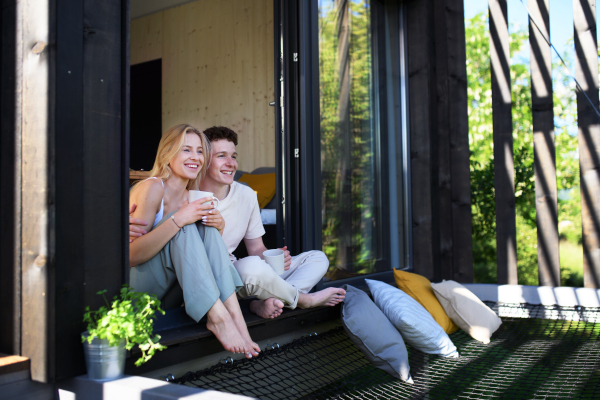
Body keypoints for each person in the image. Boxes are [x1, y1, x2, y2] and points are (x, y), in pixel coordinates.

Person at [128, 124, 259, 358]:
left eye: (200, 151)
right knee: (183, 224)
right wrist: (178, 219)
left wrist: (217, 229)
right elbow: (130, 256)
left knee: (204, 224)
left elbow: (198, 258)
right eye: (186, 150)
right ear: (168, 154)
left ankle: (237, 322)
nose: (195, 157)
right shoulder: (152, 188)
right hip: (137, 294)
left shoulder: (193, 195)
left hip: (169, 296)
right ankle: (218, 317)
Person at [197, 126, 345, 319]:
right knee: (252, 267)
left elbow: (256, 247)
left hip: (240, 272)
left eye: (233, 156)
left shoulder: (246, 195)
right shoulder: (191, 197)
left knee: (317, 258)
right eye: (221, 156)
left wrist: (272, 258)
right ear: (204, 159)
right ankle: (304, 300)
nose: (230, 163)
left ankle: (263, 303)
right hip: (216, 278)